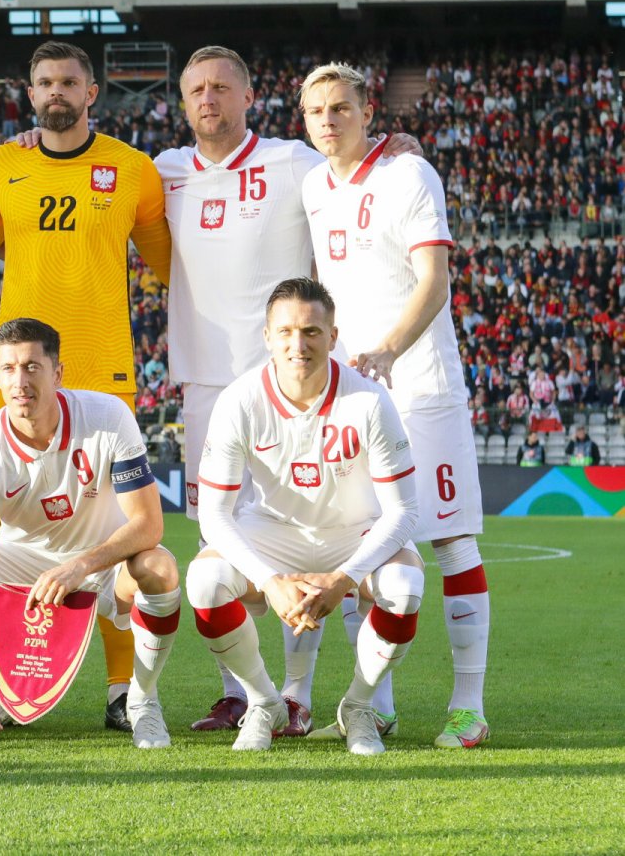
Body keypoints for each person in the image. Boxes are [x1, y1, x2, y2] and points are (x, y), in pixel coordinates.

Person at [149, 45, 422, 736]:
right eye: (196, 90)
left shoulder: (291, 161)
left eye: (221, 87)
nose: (208, 99)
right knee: (221, 545)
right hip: (209, 384)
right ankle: (246, 695)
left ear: (249, 97)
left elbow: (352, 158)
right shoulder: (163, 172)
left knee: (332, 525)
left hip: (300, 379)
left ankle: (350, 699)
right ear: (182, 102)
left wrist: (396, 150)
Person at [0, 39, 172, 731]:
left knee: (115, 535)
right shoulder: (1, 164)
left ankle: (121, 690)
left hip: (104, 374)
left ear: (91, 91)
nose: (56, 92)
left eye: (68, 82)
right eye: (45, 82)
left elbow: (170, 262)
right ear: (30, 91)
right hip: (20, 376)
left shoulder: (133, 170)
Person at [301, 62, 491, 749]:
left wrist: (386, 350)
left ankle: (469, 708)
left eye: (340, 107)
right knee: (364, 541)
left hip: (421, 386)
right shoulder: (313, 186)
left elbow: (434, 281)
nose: (328, 120)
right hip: (354, 397)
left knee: (452, 539)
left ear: (367, 111)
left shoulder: (409, 173)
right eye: (316, 110)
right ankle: (372, 705)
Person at [187, 278, 424, 755]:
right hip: (274, 530)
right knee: (204, 582)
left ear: (333, 337)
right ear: (267, 337)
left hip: (353, 532)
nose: (299, 344)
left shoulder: (368, 401)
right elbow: (213, 514)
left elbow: (403, 510)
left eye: (312, 331)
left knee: (405, 586)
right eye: (287, 331)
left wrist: (345, 578)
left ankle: (358, 707)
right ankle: (264, 702)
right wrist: (270, 581)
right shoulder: (239, 401)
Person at [0, 318, 181, 751]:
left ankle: (142, 701)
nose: (20, 381)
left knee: (160, 568)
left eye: (32, 367)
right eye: (8, 369)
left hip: (104, 563)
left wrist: (80, 566)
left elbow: (149, 524)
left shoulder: (107, 416)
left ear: (57, 373)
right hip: (24, 564)